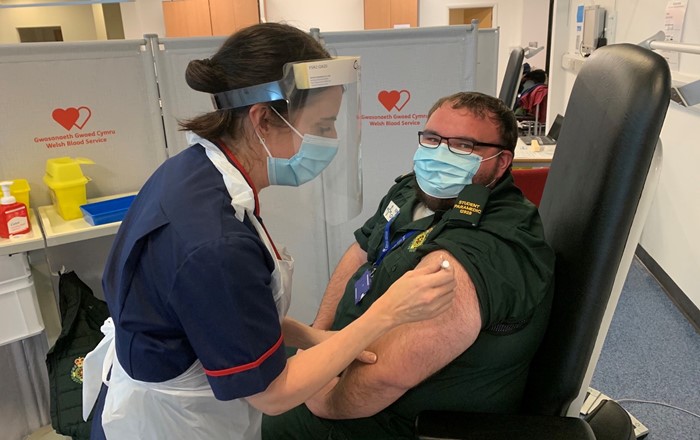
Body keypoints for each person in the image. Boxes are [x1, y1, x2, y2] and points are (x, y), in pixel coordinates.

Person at [81, 23, 456, 440]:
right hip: (174, 424)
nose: (330, 140)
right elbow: (272, 394)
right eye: (324, 124)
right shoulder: (215, 240)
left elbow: (224, 314)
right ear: (263, 119)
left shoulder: (195, 173)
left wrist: (312, 337)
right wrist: (387, 313)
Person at [262, 91, 556, 439]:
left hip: (394, 419)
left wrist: (321, 398)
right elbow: (360, 251)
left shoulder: (495, 237)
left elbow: (387, 374)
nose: (439, 155)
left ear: (501, 161)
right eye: (432, 139)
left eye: (463, 145)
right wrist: (318, 336)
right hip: (342, 357)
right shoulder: (412, 191)